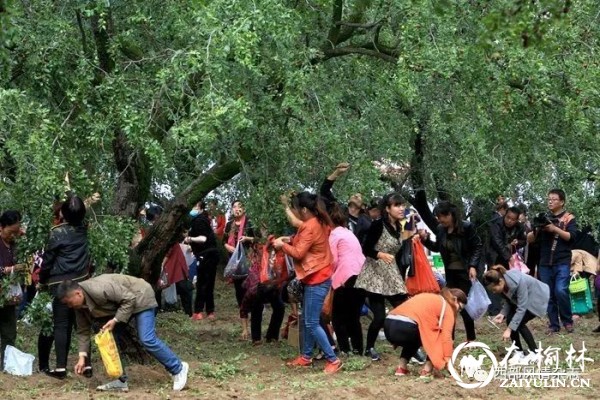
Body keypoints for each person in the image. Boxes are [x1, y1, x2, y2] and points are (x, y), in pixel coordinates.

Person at [56, 275, 188, 392]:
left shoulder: (99, 288)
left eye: (69, 302)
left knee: (146, 338)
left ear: (78, 294)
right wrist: (82, 357)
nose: (69, 306)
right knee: (107, 339)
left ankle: (178, 368)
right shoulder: (79, 307)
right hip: (123, 306)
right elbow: (83, 331)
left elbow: (129, 298)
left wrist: (115, 320)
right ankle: (121, 381)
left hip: (140, 296)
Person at [273, 192, 342, 374]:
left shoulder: (310, 226)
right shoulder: (318, 221)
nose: (295, 213)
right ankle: (306, 356)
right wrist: (289, 240)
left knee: (311, 322)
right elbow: (304, 240)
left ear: (304, 209)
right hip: (318, 275)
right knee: (306, 320)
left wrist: (281, 246)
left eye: (296, 209)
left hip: (317, 278)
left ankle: (333, 359)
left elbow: (298, 253)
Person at [39, 197, 92, 379]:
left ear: (64, 214)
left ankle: (61, 367)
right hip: (80, 283)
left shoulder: (57, 233)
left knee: (61, 324)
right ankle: (87, 366)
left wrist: (42, 280)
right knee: (82, 324)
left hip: (59, 284)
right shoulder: (85, 229)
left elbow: (47, 261)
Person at [355, 192, 408, 361]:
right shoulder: (378, 225)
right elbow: (365, 248)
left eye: (402, 205)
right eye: (397, 205)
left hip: (391, 273)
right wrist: (380, 254)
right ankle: (369, 348)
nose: (401, 208)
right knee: (379, 317)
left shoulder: (399, 227)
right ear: (387, 208)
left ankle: (409, 346)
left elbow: (398, 254)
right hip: (375, 274)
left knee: (404, 310)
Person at [419, 201, 483, 342]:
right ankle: (449, 338)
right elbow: (437, 248)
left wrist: (472, 266)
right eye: (438, 217)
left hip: (465, 272)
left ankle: (471, 339)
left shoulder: (467, 227)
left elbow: (477, 246)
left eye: (443, 216)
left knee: (463, 305)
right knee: (449, 305)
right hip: (450, 273)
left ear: (451, 215)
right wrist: (425, 240)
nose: (441, 220)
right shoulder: (441, 229)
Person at [385, 288, 467, 377]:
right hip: (407, 328)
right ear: (454, 299)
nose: (458, 311)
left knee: (418, 335)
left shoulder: (431, 297)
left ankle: (401, 368)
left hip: (388, 325)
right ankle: (427, 370)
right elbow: (446, 337)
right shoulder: (448, 308)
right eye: (460, 308)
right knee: (437, 336)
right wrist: (448, 361)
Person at [527, 189, 577, 334]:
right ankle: (554, 324)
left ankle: (567, 321)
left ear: (562, 202)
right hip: (544, 262)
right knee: (548, 294)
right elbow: (530, 239)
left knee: (561, 290)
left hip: (562, 260)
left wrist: (555, 228)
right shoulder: (544, 218)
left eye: (554, 199)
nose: (550, 201)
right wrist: (537, 229)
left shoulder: (568, 218)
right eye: (549, 199)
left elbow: (571, 237)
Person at [483, 265, 550, 356]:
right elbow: (509, 299)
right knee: (510, 319)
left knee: (519, 323)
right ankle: (519, 352)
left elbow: (521, 308)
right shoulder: (503, 282)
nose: (494, 292)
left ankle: (535, 353)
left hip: (537, 298)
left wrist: (509, 330)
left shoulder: (518, 282)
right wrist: (503, 313)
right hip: (525, 299)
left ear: (500, 282)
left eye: (494, 289)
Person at [329, 203, 366, 356]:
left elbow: (333, 261)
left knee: (338, 317)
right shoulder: (348, 233)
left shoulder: (334, 235)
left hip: (345, 278)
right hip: (361, 275)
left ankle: (345, 349)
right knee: (354, 317)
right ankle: (358, 350)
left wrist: (329, 281)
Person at [239, 235, 286, 344]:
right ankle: (256, 338)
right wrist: (245, 329)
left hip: (272, 284)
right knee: (256, 309)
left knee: (280, 307)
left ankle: (272, 336)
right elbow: (243, 309)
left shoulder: (276, 285)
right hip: (257, 285)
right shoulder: (252, 292)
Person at [185, 201, 219, 321]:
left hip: (206, 255)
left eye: (194, 206)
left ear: (199, 208)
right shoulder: (203, 219)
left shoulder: (199, 220)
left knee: (202, 283)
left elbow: (202, 238)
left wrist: (189, 239)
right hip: (211, 254)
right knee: (208, 284)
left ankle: (198, 311)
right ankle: (210, 311)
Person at [0, 210, 26, 369]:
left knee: (9, 333)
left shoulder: (17, 244)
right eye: (11, 232)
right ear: (1, 227)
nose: (13, 235)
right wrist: (9, 270)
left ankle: (5, 366)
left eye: (16, 232)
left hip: (8, 298)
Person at [319, 163, 371, 240]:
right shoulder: (338, 209)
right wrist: (337, 172)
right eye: (354, 194)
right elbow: (324, 191)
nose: (356, 196)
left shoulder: (366, 223)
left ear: (363, 206)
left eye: (359, 196)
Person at [223, 200, 256, 308]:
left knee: (248, 282)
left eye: (239, 206)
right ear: (232, 210)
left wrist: (247, 238)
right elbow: (224, 241)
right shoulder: (229, 225)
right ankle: (242, 307)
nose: (237, 209)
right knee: (237, 283)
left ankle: (251, 305)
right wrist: (227, 246)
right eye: (234, 207)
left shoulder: (250, 223)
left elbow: (259, 239)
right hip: (233, 258)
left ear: (244, 209)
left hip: (247, 257)